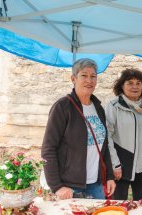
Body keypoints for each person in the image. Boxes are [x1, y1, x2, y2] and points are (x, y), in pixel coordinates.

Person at [41, 58, 116, 200]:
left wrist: (109, 176)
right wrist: (57, 186)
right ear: (73, 78)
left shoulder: (98, 107)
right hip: (70, 187)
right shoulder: (62, 107)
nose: (89, 80)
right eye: (84, 75)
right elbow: (48, 149)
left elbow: (103, 146)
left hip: (96, 184)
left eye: (93, 76)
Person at [106, 68, 142, 201]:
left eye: (138, 83)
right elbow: (107, 136)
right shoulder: (114, 106)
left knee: (141, 205)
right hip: (122, 166)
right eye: (130, 83)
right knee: (118, 206)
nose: (135, 86)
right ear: (122, 86)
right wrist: (115, 164)